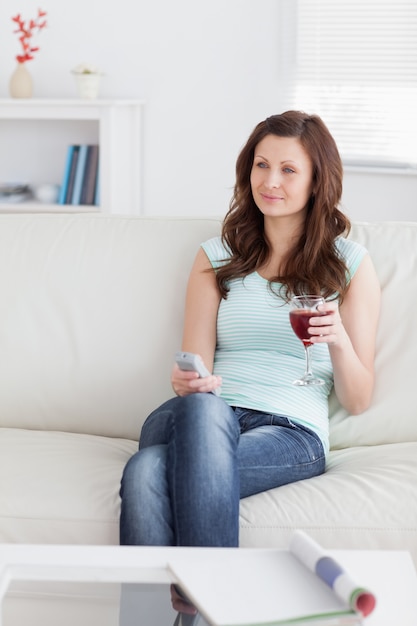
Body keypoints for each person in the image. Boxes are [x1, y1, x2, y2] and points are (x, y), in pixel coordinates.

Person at [119, 110, 380, 613]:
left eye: (288, 170)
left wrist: (340, 340)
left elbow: (359, 398)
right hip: (206, 415)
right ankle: (222, 605)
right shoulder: (215, 256)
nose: (270, 181)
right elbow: (196, 364)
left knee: (146, 472)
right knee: (202, 409)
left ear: (317, 180)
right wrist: (186, 380)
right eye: (261, 165)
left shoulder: (350, 263)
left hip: (289, 430)